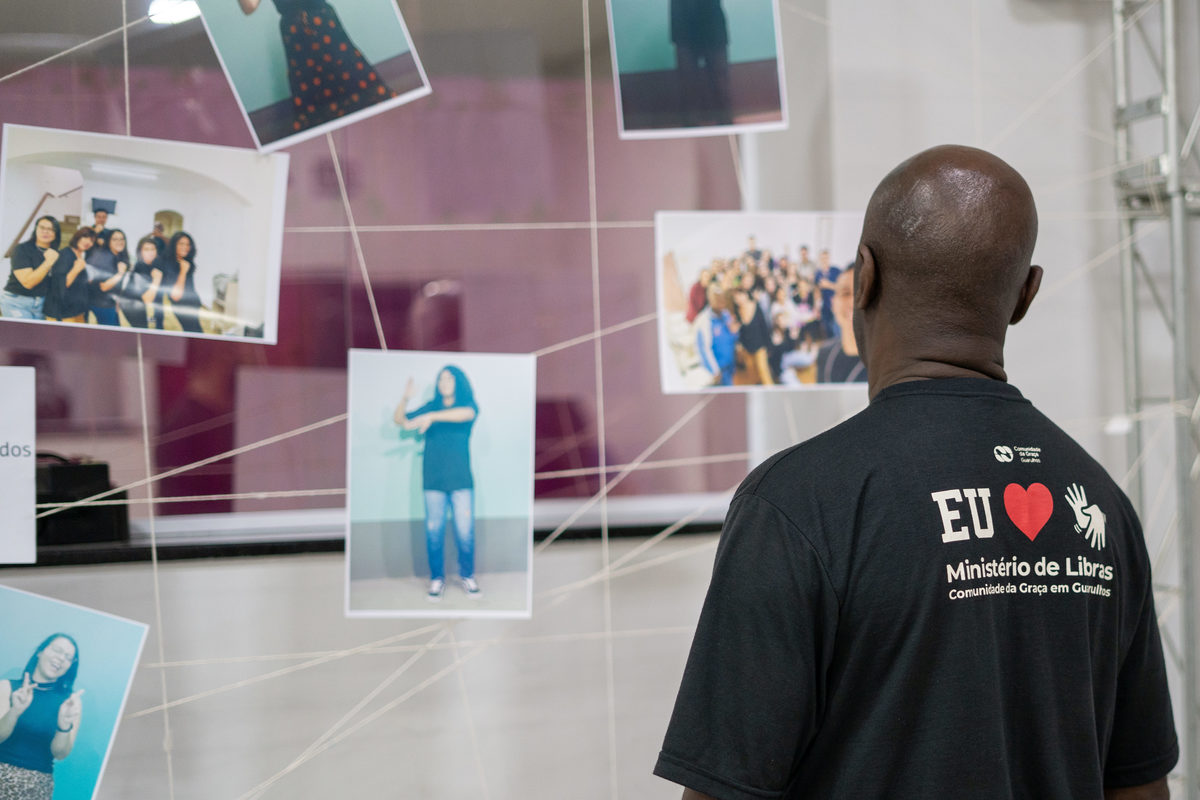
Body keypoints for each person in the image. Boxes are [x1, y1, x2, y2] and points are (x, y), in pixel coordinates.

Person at [655, 145, 1177, 799]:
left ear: (862, 277)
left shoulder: (797, 505)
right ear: (1025, 294)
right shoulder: (1099, 503)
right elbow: (1141, 788)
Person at [237, 0, 400, 135]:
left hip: (321, 19)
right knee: (308, 87)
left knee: (350, 70)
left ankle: (384, 124)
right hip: (294, 31)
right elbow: (249, 7)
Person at [394, 366, 481, 601]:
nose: (443, 382)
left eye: (448, 378)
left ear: (458, 382)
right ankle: (437, 579)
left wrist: (431, 417)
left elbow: (466, 414)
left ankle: (467, 575)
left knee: (465, 532)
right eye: (440, 379)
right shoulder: (431, 405)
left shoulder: (467, 405)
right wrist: (405, 398)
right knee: (434, 533)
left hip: (461, 480)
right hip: (433, 480)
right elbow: (400, 420)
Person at [0, 634, 84, 800]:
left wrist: (63, 726)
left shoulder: (70, 703)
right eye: (57, 650)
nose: (60, 658)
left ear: (70, 666)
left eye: (68, 657)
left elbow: (60, 753)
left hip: (36, 787)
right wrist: (15, 712)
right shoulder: (6, 687)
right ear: (40, 652)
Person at [669, 0, 731, 126]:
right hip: (683, 23)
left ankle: (725, 124)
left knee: (720, 81)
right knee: (687, 82)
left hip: (712, 22)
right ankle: (690, 126)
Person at [1, 216, 60, 320]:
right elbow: (28, 283)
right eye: (42, 227)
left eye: (51, 229)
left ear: (56, 234)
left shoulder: (55, 253)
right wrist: (49, 262)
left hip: (41, 304)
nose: (45, 232)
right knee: (22, 335)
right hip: (17, 301)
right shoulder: (22, 249)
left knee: (36, 335)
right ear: (36, 229)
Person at [814, 266, 866, 383]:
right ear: (833, 303)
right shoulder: (825, 354)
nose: (853, 301)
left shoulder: (890, 361)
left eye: (862, 292)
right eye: (845, 293)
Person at [43, 227, 94, 323]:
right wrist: (76, 270)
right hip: (62, 312)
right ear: (77, 237)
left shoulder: (81, 255)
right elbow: (59, 285)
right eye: (85, 237)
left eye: (91, 240)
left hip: (77, 310)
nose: (88, 242)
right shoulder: (64, 255)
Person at [156, 231, 203, 334]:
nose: (185, 247)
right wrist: (183, 271)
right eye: (181, 244)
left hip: (193, 305)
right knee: (196, 333)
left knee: (194, 333)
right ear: (174, 245)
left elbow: (190, 286)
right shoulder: (169, 264)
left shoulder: (186, 262)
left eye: (187, 244)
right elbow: (175, 296)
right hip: (182, 307)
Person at [115, 236, 163, 329]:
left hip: (136, 305)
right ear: (140, 252)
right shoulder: (140, 267)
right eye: (146, 249)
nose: (150, 252)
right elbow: (147, 299)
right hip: (132, 307)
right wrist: (157, 280)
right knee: (142, 330)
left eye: (152, 249)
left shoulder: (152, 265)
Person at [85, 228, 130, 326]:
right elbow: (104, 286)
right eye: (115, 239)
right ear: (108, 241)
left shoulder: (117, 255)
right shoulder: (105, 258)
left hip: (109, 302)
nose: (119, 242)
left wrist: (117, 302)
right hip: (102, 304)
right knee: (111, 335)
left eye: (122, 239)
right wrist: (120, 274)